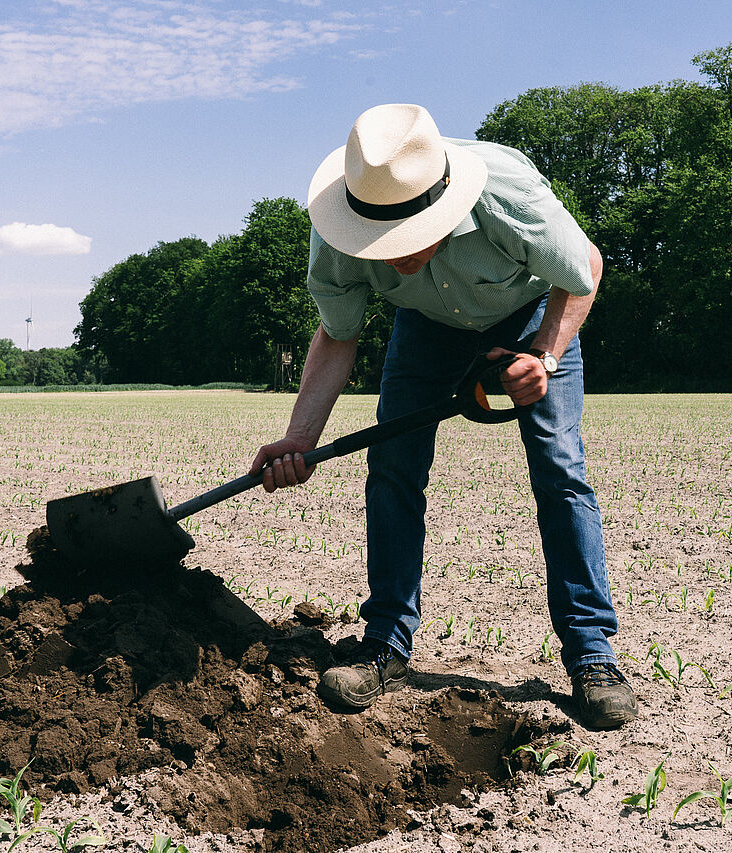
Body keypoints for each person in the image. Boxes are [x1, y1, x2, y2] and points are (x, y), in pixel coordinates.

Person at [249, 103, 636, 729]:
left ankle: (592, 656)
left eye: (405, 237)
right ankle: (385, 646)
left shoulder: (508, 189)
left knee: (561, 471)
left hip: (530, 313)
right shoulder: (339, 227)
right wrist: (299, 438)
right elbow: (338, 334)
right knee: (393, 469)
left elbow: (584, 268)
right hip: (426, 329)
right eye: (379, 240)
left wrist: (544, 356)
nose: (391, 255)